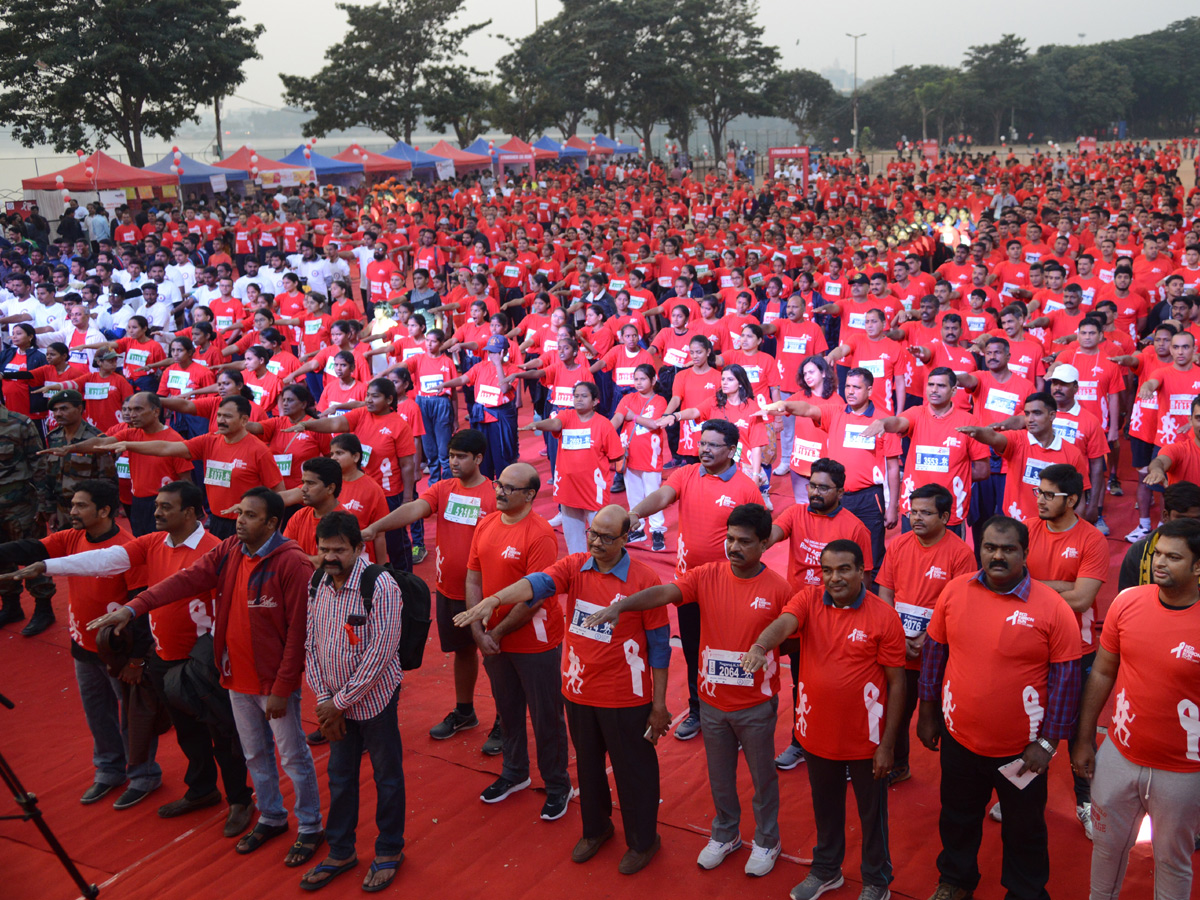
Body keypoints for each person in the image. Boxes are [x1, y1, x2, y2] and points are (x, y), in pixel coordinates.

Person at [87, 488, 324, 867]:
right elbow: (183, 580)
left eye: (249, 515)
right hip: (234, 678)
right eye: (240, 513)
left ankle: (310, 827)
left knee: (294, 757)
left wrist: (283, 687)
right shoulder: (229, 550)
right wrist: (133, 609)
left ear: (272, 523)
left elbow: (299, 632)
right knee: (254, 754)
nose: (239, 520)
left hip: (272, 685)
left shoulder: (292, 564)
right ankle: (272, 816)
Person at [10, 480, 252, 833]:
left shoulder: (215, 550)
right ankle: (201, 790)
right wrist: (46, 567)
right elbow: (105, 560)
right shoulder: (152, 542)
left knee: (223, 735)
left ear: (189, 512)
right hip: (165, 657)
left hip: (204, 663)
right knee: (187, 733)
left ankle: (240, 800)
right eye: (156, 505)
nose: (155, 512)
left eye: (165, 507)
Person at [454, 504, 669, 875]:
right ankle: (596, 829)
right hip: (578, 690)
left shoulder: (646, 580)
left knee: (634, 771)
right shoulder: (576, 566)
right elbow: (538, 583)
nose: (596, 542)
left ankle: (643, 840)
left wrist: (660, 705)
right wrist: (495, 599)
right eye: (592, 533)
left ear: (624, 539)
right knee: (587, 767)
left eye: (605, 537)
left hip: (625, 696)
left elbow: (661, 647)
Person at [584, 503, 793, 877]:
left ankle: (767, 839)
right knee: (720, 776)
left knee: (763, 780)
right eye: (729, 538)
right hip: (712, 705)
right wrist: (624, 607)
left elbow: (791, 640)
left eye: (744, 542)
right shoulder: (706, 575)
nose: (734, 547)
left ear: (765, 544)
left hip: (756, 705)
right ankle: (726, 833)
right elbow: (664, 593)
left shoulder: (779, 589)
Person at [916, 516, 1081, 900]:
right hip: (959, 739)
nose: (998, 556)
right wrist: (927, 713)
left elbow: (1066, 683)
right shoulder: (954, 592)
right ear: (980, 549)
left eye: (1008, 549)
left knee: (1024, 828)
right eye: (990, 547)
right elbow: (934, 656)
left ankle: (1025, 892)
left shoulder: (1053, 609)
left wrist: (1047, 743)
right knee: (957, 817)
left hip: (1021, 752)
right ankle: (955, 881)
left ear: (1025, 553)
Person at [742, 539, 906, 900]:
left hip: (866, 741)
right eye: (827, 570)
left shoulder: (884, 616)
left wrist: (888, 745)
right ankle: (827, 870)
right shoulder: (808, 599)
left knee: (871, 815)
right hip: (815, 735)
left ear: (862, 571)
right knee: (826, 808)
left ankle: (877, 881)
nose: (834, 578)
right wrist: (760, 645)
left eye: (844, 569)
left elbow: (897, 684)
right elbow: (784, 624)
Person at [0, 479, 160, 809]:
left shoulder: (128, 549)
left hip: (118, 653)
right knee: (97, 713)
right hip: (82, 647)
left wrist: (136, 660)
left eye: (80, 506)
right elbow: (29, 549)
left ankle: (143, 775)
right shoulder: (72, 538)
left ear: (104, 511)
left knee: (132, 716)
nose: (72, 511)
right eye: (72, 505)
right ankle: (109, 771)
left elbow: (140, 607)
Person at [1072, 518, 1200, 900]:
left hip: (1184, 769)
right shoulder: (1127, 602)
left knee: (1171, 860)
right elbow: (1102, 674)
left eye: (1173, 557)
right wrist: (1084, 739)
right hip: (1119, 754)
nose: (1160, 563)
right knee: (1106, 850)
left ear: (1198, 567)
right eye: (1158, 553)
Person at [361, 429, 502, 751]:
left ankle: (504, 720)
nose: (453, 461)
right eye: (451, 455)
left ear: (478, 459)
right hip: (449, 591)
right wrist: (377, 527)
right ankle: (465, 711)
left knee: (496, 659)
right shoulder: (442, 488)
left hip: (486, 593)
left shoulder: (494, 495)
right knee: (462, 651)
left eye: (461, 456)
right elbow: (414, 509)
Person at [626, 418, 762, 741]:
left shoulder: (745, 487)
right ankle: (698, 709)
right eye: (702, 443)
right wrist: (635, 514)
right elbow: (661, 497)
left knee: (731, 653)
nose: (705, 450)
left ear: (731, 450)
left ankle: (735, 716)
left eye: (713, 445)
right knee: (692, 650)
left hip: (729, 589)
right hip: (687, 586)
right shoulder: (686, 474)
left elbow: (761, 532)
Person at [299, 512, 406, 893]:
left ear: (359, 548)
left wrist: (339, 703)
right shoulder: (317, 583)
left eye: (339, 550)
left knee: (387, 777)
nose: (330, 557)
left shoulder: (380, 585)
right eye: (324, 549)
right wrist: (325, 698)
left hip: (374, 702)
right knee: (340, 778)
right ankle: (342, 850)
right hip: (335, 704)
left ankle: (390, 849)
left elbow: (380, 653)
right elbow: (310, 644)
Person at [464, 462, 572, 820]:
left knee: (546, 717)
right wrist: (478, 630)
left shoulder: (540, 534)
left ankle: (558, 785)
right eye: (499, 484)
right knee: (507, 709)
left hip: (534, 641)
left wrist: (494, 632)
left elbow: (535, 597)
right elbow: (473, 579)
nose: (500, 491)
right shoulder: (486, 524)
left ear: (529, 495)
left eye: (510, 488)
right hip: (493, 640)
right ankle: (515, 772)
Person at [1024, 463, 1108, 839]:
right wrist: (1062, 586)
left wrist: (1036, 587)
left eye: (1048, 494)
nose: (1039, 500)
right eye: (1038, 492)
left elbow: (1084, 597)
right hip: (1030, 644)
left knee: (1080, 732)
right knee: (1025, 722)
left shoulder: (1092, 540)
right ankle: (1019, 791)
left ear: (1072, 500)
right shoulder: (1025, 529)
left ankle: (1087, 803)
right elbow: (1009, 580)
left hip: (1079, 648)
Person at [874, 483, 975, 785]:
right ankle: (898, 764)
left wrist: (926, 639)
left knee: (945, 717)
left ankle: (956, 776)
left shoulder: (961, 555)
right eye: (913, 511)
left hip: (940, 653)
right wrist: (897, 639)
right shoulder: (899, 545)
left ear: (945, 517)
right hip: (898, 648)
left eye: (926, 513)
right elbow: (884, 596)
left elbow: (960, 609)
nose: (916, 518)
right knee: (896, 711)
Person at [110, 396, 284, 540]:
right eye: (219, 415)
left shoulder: (259, 451)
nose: (221, 421)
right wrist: (128, 445)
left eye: (228, 417)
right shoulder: (209, 441)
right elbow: (167, 448)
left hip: (246, 524)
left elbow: (279, 492)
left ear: (244, 420)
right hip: (216, 523)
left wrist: (267, 524)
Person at [859, 367, 989, 536]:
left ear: (954, 390)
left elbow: (982, 470)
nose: (934, 390)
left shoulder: (970, 422)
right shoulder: (916, 413)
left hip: (949, 512)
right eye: (931, 385)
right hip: (913, 509)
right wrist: (884, 422)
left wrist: (953, 473)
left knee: (947, 561)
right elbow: (898, 422)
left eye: (941, 386)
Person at [52, 391, 193, 536]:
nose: (131, 414)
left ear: (156, 412)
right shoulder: (130, 434)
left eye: (138, 409)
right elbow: (102, 442)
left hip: (165, 504)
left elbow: (186, 480)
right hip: (137, 503)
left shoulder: (174, 440)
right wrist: (72, 448)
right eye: (129, 409)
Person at [955, 391, 1088, 525]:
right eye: (1027, 413)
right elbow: (995, 438)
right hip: (1016, 527)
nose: (1030, 419)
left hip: (1053, 528)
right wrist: (978, 432)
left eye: (1037, 413)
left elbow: (1079, 500)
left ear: (1052, 415)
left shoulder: (1072, 454)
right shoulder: (1017, 439)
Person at [521, 381, 624, 554]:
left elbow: (617, 455)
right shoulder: (566, 416)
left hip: (594, 491)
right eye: (576, 396)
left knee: (600, 536)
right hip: (568, 490)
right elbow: (555, 424)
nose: (579, 400)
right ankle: (577, 568)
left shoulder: (603, 424)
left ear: (595, 401)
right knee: (574, 541)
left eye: (584, 396)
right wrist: (538, 424)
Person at [0, 388, 56, 635]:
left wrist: (44, 504)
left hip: (21, 504)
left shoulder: (19, 423)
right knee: (1, 558)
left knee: (31, 554)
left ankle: (43, 609)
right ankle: (11, 606)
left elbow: (39, 464)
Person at [44, 389, 116, 530]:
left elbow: (108, 481)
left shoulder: (96, 439)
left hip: (88, 513)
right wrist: (50, 509)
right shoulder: (53, 437)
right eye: (55, 410)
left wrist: (103, 516)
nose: (58, 414)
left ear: (79, 409)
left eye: (64, 409)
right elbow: (49, 477)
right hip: (61, 510)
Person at [1117, 482, 1200, 591]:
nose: (1188, 526)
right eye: (1182, 519)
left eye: (1196, 519)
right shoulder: (1139, 552)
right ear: (1166, 516)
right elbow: (1127, 599)